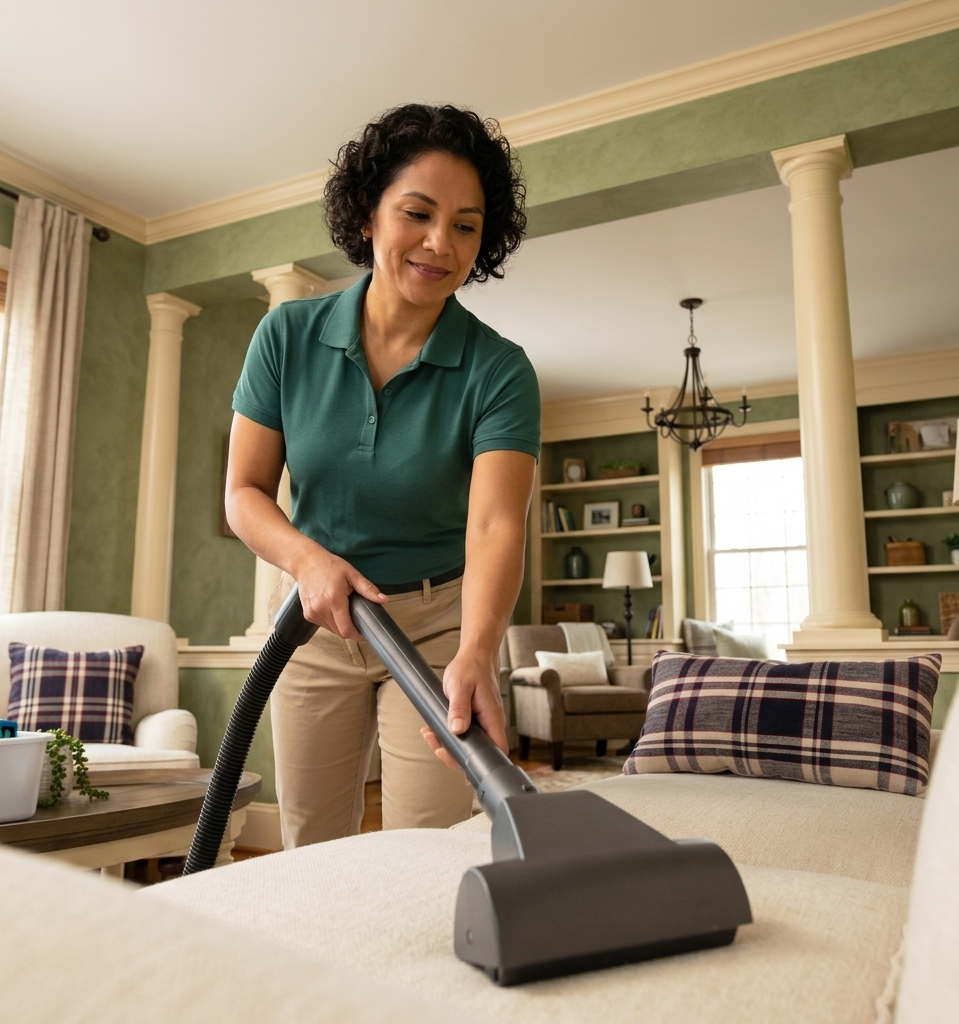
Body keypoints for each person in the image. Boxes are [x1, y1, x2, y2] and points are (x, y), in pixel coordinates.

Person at [226, 104, 540, 848]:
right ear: (368, 213)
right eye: (417, 213)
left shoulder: (498, 370)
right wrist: (309, 561)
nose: (440, 243)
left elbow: (496, 525)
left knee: (424, 845)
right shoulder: (286, 336)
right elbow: (243, 493)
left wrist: (476, 651)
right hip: (311, 623)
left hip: (435, 628)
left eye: (465, 226)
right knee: (312, 844)